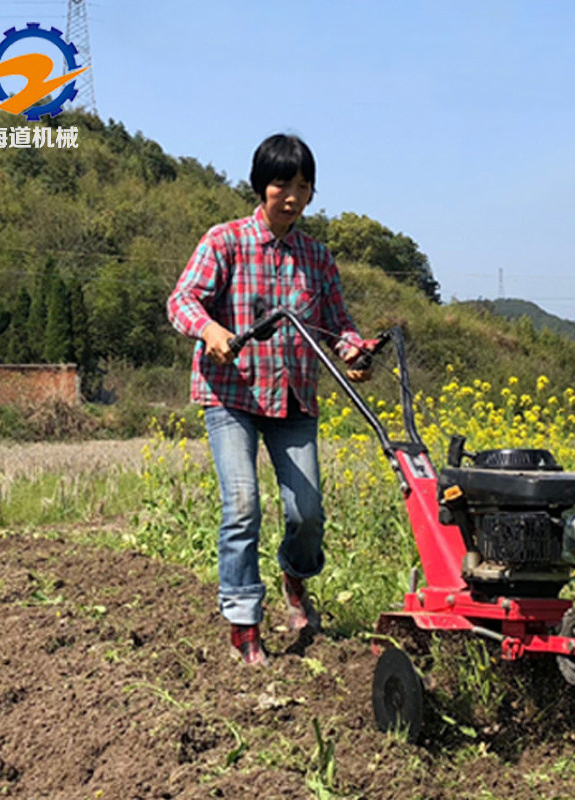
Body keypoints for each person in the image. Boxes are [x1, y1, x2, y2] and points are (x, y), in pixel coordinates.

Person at [167, 134, 371, 666]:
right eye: (282, 183)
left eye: (303, 186)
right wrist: (210, 330)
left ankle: (295, 579)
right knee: (242, 506)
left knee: (306, 514)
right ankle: (243, 620)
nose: (292, 195)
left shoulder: (317, 257)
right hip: (231, 394)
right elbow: (183, 299)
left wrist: (354, 350)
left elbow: (336, 326)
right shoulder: (226, 242)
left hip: (295, 396)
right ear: (262, 185)